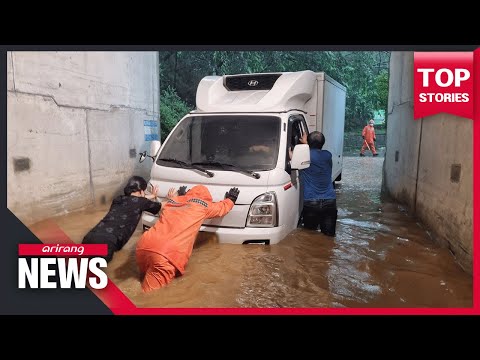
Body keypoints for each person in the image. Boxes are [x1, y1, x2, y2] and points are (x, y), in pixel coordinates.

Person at [136, 185, 239, 292]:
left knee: (140, 280)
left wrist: (182, 195)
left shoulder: (173, 201)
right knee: (151, 297)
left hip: (144, 244)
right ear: (207, 198)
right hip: (165, 254)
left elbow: (177, 209)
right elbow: (221, 209)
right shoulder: (202, 205)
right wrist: (230, 200)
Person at [82, 176, 172, 262]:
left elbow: (134, 200)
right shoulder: (142, 202)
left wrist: (151, 196)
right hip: (107, 242)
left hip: (90, 236)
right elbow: (161, 205)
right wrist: (170, 198)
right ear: (141, 191)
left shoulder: (118, 199)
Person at [291, 131, 338, 236]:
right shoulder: (327, 155)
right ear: (323, 143)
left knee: (310, 236)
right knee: (329, 237)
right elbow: (315, 155)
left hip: (311, 201)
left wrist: (303, 145)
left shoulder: (304, 156)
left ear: (308, 142)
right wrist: (306, 144)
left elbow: (294, 160)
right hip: (329, 201)